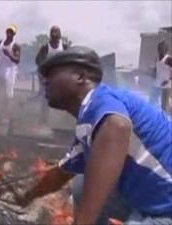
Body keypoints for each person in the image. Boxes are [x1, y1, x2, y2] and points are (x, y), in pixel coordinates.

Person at [16, 46, 172, 225]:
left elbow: (118, 126)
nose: (45, 80)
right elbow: (61, 173)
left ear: (81, 77)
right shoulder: (90, 121)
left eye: (52, 73)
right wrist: (26, 197)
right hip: (154, 200)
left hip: (167, 210)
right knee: (82, 185)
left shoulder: (99, 101)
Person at [35, 25, 68, 124]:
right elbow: (37, 60)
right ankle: (43, 119)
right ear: (50, 35)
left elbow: (69, 59)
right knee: (45, 98)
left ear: (59, 35)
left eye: (56, 33)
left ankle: (64, 120)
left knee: (65, 96)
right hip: (47, 76)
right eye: (52, 33)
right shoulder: (46, 47)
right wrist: (45, 67)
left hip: (60, 75)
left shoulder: (64, 46)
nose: (54, 35)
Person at [0, 24, 20, 130]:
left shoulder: (16, 45)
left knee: (8, 95)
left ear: (14, 34)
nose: (9, 33)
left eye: (11, 32)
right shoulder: (1, 43)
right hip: (0, 69)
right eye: (8, 31)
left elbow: (17, 60)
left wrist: (9, 54)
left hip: (10, 71)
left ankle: (7, 117)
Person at [150, 40, 172, 113]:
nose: (160, 50)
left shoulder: (169, 59)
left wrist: (168, 80)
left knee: (164, 106)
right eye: (159, 48)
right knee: (152, 102)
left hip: (166, 86)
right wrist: (153, 76)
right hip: (157, 84)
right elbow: (155, 70)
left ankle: (165, 119)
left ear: (166, 49)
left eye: (162, 48)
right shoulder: (157, 58)